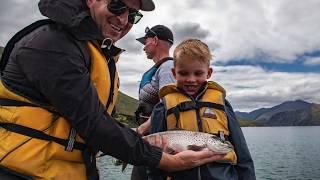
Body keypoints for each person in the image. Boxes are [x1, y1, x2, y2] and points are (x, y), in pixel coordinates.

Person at [0, 0, 227, 179]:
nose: (124, 19)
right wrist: (165, 160)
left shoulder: (99, 53)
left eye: (133, 14)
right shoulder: (52, 44)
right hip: (22, 172)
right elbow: (94, 124)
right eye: (117, 5)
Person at [148, 38, 256, 180]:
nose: (191, 79)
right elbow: (153, 158)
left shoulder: (222, 104)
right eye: (184, 73)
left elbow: (242, 154)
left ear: (209, 73)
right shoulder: (163, 107)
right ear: (174, 73)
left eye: (198, 73)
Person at [132, 25, 176, 180]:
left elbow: (167, 104)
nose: (144, 47)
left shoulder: (167, 68)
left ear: (155, 40)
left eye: (146, 41)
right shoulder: (159, 68)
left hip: (156, 142)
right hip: (149, 139)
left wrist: (143, 128)